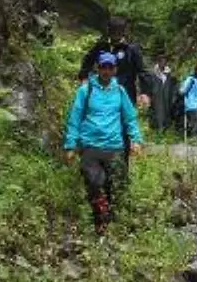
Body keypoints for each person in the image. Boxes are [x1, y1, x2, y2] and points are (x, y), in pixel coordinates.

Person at [63, 52, 144, 235]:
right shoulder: (86, 90)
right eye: (103, 67)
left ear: (115, 69)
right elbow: (75, 118)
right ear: (97, 68)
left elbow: (130, 118)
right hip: (90, 145)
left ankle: (109, 223)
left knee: (114, 185)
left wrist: (136, 140)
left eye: (110, 67)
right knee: (94, 181)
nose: (106, 71)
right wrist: (70, 145)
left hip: (114, 146)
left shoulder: (120, 91)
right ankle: (99, 222)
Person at [78, 16, 151, 109]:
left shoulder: (131, 49)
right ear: (109, 30)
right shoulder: (101, 46)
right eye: (113, 30)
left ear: (124, 31)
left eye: (119, 30)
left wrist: (145, 93)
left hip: (125, 94)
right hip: (101, 92)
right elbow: (87, 61)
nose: (116, 33)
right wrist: (84, 78)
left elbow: (142, 71)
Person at [179, 62, 197, 139]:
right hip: (192, 104)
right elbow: (182, 90)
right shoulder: (191, 79)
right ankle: (193, 136)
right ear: (196, 70)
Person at [147, 54, 176, 132]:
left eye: (165, 62)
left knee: (166, 112)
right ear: (158, 62)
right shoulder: (152, 73)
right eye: (162, 62)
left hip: (167, 96)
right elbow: (148, 85)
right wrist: (148, 96)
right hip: (156, 95)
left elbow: (173, 86)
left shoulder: (169, 73)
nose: (164, 63)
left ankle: (165, 129)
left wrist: (173, 97)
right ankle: (157, 129)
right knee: (156, 112)